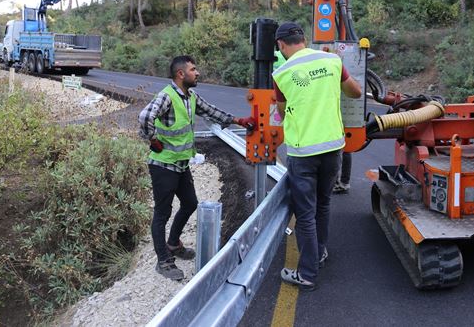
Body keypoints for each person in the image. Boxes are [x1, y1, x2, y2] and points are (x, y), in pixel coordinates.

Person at [139, 55, 254, 280]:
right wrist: (152, 139)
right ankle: (163, 261)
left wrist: (238, 120)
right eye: (193, 69)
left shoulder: (190, 97)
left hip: (180, 164)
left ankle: (173, 244)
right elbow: (145, 117)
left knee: (190, 203)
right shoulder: (167, 96)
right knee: (162, 212)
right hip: (163, 165)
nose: (197, 72)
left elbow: (211, 110)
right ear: (181, 74)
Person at [272, 22, 362, 291]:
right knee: (323, 204)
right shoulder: (332, 61)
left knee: (305, 214)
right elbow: (356, 92)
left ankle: (307, 273)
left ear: (281, 45)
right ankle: (320, 252)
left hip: (304, 153)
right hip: (333, 149)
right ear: (304, 39)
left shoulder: (283, 73)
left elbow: (282, 107)